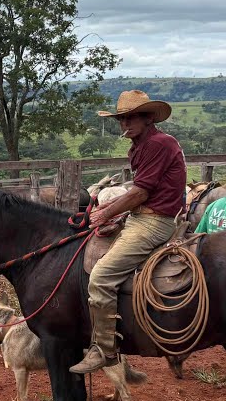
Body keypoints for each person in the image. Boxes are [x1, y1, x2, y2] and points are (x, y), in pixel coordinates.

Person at [71, 90, 186, 375]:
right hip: (141, 216)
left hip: (154, 222)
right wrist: (112, 208)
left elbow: (141, 192)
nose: (124, 124)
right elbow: (141, 192)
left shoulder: (158, 144)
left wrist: (105, 213)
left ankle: (104, 349)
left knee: (101, 277)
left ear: (149, 118)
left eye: (131, 118)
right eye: (121, 119)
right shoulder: (140, 146)